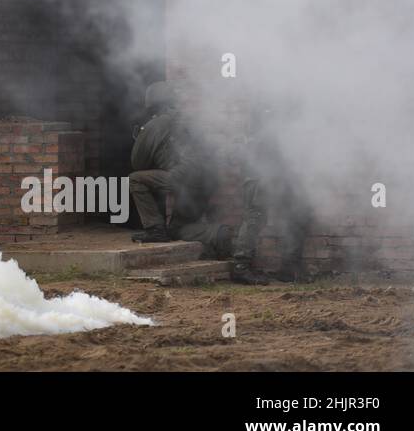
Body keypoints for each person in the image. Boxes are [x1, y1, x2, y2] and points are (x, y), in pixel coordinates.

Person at [128, 81, 227, 255]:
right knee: (178, 229)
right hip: (207, 181)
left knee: (135, 179)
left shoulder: (155, 125)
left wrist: (140, 139)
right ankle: (218, 234)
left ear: (152, 103)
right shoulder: (189, 120)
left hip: (182, 179)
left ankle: (155, 229)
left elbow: (138, 164)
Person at [229, 105, 312, 283]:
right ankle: (240, 267)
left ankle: (289, 268)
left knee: (298, 213)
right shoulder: (266, 125)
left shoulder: (270, 124)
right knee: (255, 217)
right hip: (259, 178)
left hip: (270, 176)